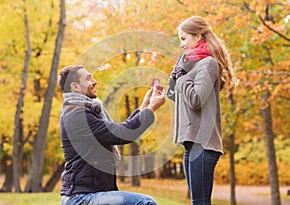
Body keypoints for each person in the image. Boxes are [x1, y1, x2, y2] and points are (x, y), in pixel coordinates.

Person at [57, 65, 165, 205]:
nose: (95, 81)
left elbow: (119, 129)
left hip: (94, 193)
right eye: (89, 78)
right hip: (81, 198)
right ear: (75, 87)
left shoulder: (81, 111)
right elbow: (122, 133)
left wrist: (144, 106)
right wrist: (151, 109)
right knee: (146, 203)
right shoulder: (77, 115)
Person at [167, 16, 238, 205]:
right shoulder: (190, 66)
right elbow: (174, 96)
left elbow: (196, 100)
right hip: (191, 142)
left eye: (184, 38)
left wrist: (182, 78)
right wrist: (175, 76)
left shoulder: (208, 64)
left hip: (204, 142)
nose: (181, 45)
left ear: (198, 36)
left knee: (200, 202)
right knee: (197, 201)